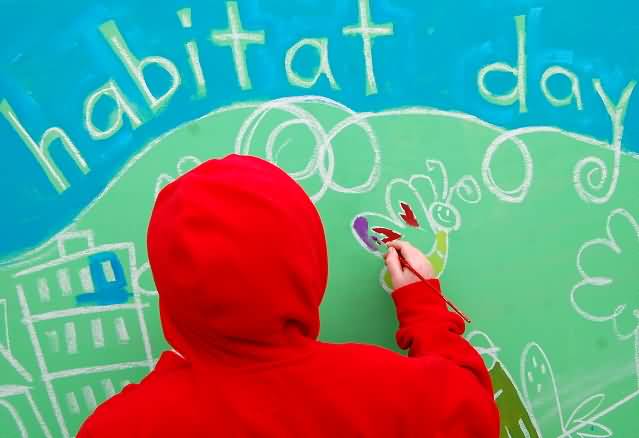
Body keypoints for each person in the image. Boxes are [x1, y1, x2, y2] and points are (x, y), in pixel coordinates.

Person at [77, 154, 499, 437]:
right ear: (309, 262)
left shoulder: (121, 426)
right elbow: (473, 411)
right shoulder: (389, 393)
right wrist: (424, 310)